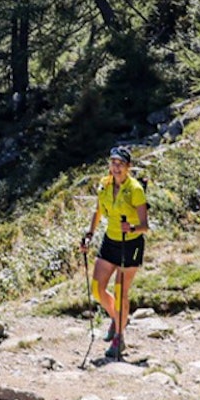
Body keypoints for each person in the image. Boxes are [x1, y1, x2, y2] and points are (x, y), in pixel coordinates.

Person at [79, 145, 149, 361]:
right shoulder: (105, 185)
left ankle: (120, 336)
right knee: (97, 289)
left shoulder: (135, 189)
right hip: (110, 240)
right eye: (113, 163)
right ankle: (117, 318)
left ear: (128, 167)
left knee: (120, 292)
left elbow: (145, 224)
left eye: (120, 164)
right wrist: (90, 234)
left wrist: (133, 228)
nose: (116, 167)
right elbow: (99, 210)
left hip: (131, 244)